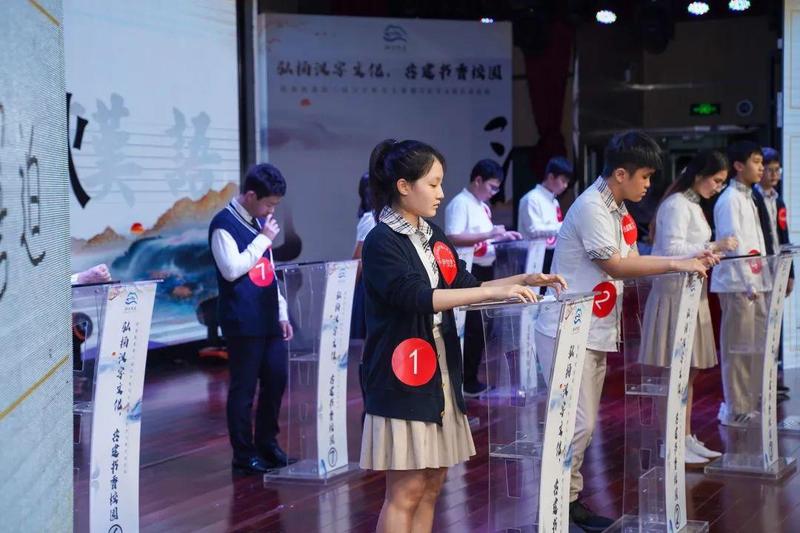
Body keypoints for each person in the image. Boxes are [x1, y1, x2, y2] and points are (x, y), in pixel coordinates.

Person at [360, 139, 565, 533]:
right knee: (406, 490)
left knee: (432, 484)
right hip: (403, 375)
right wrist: (492, 292)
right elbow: (419, 298)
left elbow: (464, 283)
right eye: (433, 184)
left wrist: (524, 279)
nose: (441, 193)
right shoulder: (381, 240)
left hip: (440, 370)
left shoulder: (431, 234)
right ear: (404, 186)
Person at [534, 131, 716, 531]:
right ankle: (553, 509)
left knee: (582, 426)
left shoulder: (618, 210)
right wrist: (677, 264)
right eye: (645, 176)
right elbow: (616, 266)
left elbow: (634, 259)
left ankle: (569, 503)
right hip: (566, 329)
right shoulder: (591, 207)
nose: (649, 185)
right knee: (576, 424)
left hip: (594, 329)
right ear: (621, 174)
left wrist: (689, 258)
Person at [640, 150, 738, 465]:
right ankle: (671, 441)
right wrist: (713, 246)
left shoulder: (692, 204)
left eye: (722, 183)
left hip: (691, 293)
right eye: (717, 181)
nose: (718, 188)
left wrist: (709, 253)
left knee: (689, 372)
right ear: (699, 175)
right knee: (675, 373)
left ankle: (683, 436)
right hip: (673, 295)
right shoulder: (676, 205)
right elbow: (671, 250)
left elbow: (687, 249)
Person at [209, 163, 295, 474]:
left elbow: (268, 271)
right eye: (269, 204)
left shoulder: (259, 223)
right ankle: (243, 454)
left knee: (276, 380)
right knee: (243, 389)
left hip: (268, 316)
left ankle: (267, 443)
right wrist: (263, 239)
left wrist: (282, 312)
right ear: (250, 196)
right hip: (242, 320)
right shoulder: (223, 224)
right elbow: (231, 269)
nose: (271, 210)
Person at [444, 159, 522, 396]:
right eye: (492, 187)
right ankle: (466, 381)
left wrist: (502, 237)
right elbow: (453, 236)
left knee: (481, 328)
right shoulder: (460, 203)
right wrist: (490, 233)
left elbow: (484, 238)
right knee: (473, 327)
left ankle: (471, 377)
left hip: (484, 267)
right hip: (469, 270)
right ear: (477, 180)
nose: (494, 192)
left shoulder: (480, 205)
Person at [711, 141, 768, 428]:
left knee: (754, 347)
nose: (761, 168)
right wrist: (748, 282)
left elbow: (757, 244)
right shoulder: (730, 199)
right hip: (738, 285)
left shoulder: (749, 197)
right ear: (738, 165)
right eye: (756, 161)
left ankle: (748, 403)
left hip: (755, 283)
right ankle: (735, 407)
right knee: (737, 348)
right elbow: (734, 245)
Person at [752, 147, 794, 398]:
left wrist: (791, 273)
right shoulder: (752, 198)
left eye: (778, 170)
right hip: (760, 271)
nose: (774, 174)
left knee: (775, 324)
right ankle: (761, 382)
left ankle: (773, 378)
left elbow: (784, 236)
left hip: (778, 268)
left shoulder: (778, 200)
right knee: (761, 328)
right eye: (770, 170)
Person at [518, 155, 572, 274]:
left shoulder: (554, 201)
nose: (565, 186)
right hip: (533, 255)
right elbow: (533, 230)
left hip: (552, 253)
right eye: (563, 181)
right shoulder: (531, 198)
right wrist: (562, 226)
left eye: (567, 182)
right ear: (551, 177)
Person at [351, 172, 375, 339]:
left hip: (368, 283)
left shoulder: (369, 218)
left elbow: (359, 259)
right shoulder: (374, 218)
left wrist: (350, 285)